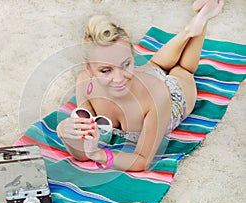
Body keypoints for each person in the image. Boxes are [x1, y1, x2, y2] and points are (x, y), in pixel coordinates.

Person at [57, 0, 225, 171]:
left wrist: (99, 155)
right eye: (106, 70)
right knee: (156, 65)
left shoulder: (157, 98)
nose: (118, 79)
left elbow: (142, 160)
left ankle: (201, 19)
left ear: (133, 57)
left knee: (183, 69)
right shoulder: (85, 83)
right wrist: (64, 133)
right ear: (89, 70)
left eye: (126, 64)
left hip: (172, 97)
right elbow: (83, 150)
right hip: (147, 77)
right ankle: (189, 29)